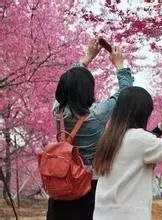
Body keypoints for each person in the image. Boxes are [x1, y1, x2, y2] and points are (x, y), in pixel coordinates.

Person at [47, 39, 134, 220]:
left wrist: (87, 58)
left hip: (63, 180)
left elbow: (68, 80)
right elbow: (126, 94)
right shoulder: (97, 113)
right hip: (90, 185)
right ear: (88, 90)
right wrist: (120, 66)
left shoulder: (58, 111)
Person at [92, 86, 162, 220]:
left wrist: (161, 128)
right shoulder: (140, 140)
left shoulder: (109, 137)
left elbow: (139, 148)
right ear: (142, 113)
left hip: (102, 214)